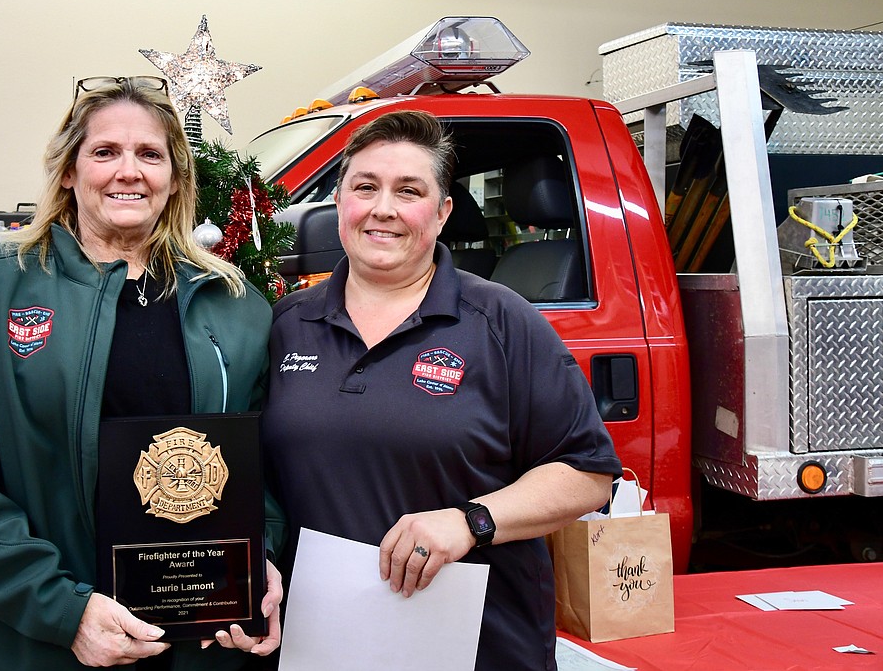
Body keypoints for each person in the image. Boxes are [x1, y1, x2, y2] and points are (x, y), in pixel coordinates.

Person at [0, 76, 283, 670]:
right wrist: (62, 610)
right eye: (104, 152)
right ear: (69, 172)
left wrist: (260, 558)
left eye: (149, 155)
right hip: (37, 646)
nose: (128, 171)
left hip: (194, 648)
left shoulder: (235, 306)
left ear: (176, 178)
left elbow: (264, 469)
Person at [262, 110, 621, 670]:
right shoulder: (287, 324)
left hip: (478, 647)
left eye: (409, 191)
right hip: (323, 646)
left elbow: (589, 472)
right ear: (340, 202)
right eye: (365, 187)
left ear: (443, 211)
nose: (384, 208)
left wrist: (471, 521)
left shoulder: (502, 322)